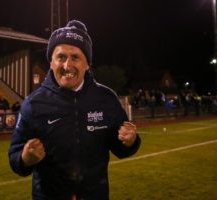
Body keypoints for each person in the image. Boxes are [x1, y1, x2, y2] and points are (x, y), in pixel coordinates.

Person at [8, 20, 141, 200]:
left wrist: (130, 141)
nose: (67, 65)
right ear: (51, 62)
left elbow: (121, 149)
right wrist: (24, 158)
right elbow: (15, 157)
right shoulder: (33, 104)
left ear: (87, 64)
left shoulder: (106, 99)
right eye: (61, 57)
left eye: (75, 57)